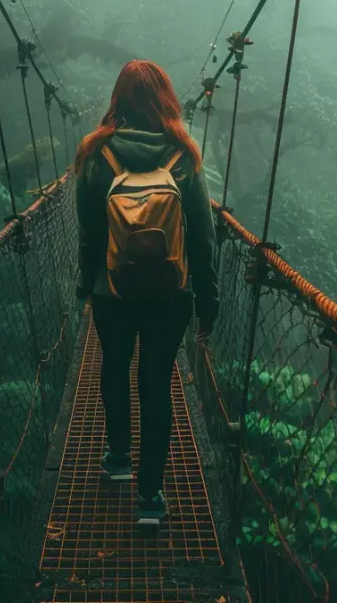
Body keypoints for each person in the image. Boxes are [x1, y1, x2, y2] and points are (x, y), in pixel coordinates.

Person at [73, 59, 219, 527]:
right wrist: (208, 299)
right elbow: (202, 236)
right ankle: (150, 499)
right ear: (167, 100)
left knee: (114, 368)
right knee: (156, 386)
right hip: (171, 294)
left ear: (117, 99)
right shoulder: (184, 156)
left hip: (111, 292)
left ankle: (117, 458)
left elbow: (88, 234)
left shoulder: (95, 155)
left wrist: (84, 283)